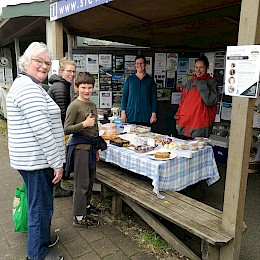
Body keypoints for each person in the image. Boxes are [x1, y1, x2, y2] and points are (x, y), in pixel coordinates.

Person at [6, 42, 64, 260]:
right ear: (26, 62)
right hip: (37, 161)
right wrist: (57, 162)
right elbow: (42, 131)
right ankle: (36, 255)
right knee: (39, 209)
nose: (44, 66)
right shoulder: (28, 88)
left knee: (41, 205)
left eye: (47, 62)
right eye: (39, 61)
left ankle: (41, 240)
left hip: (34, 160)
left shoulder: (30, 85)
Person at [64, 72, 107, 228]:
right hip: (80, 149)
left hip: (90, 148)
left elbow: (94, 128)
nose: (87, 91)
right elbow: (66, 129)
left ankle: (86, 207)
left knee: (89, 181)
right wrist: (84, 124)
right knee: (81, 183)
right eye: (83, 87)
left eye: (89, 87)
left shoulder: (92, 105)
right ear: (76, 88)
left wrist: (95, 148)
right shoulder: (74, 106)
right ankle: (79, 216)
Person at [48, 57, 76, 198]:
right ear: (61, 71)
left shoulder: (62, 85)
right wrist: (71, 128)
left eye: (73, 72)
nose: (72, 74)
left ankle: (60, 179)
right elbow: (62, 112)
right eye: (69, 71)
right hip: (55, 129)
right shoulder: (60, 87)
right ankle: (56, 188)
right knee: (57, 157)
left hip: (56, 128)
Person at [175, 55, 218, 138]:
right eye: (196, 67)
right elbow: (182, 103)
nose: (198, 70)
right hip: (184, 122)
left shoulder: (212, 83)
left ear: (207, 67)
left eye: (201, 67)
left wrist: (200, 83)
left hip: (199, 124)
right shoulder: (190, 82)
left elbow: (209, 101)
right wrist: (178, 119)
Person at [121, 55, 157, 126]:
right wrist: (123, 112)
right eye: (137, 63)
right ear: (135, 65)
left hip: (145, 116)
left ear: (145, 64)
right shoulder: (130, 80)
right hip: (131, 115)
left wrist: (154, 114)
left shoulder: (150, 81)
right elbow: (124, 97)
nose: (139, 65)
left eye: (141, 63)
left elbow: (154, 99)